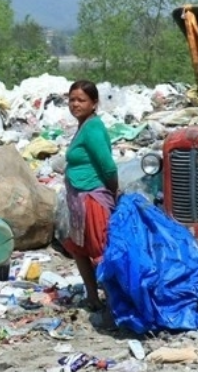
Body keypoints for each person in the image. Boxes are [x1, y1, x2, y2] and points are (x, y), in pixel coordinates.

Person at [62, 80, 119, 317]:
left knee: (99, 250)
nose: (75, 104)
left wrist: (112, 196)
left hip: (92, 199)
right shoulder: (83, 125)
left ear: (94, 103)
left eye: (81, 100)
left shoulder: (94, 127)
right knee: (80, 249)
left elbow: (108, 167)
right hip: (79, 198)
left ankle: (116, 302)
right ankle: (93, 297)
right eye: (72, 99)